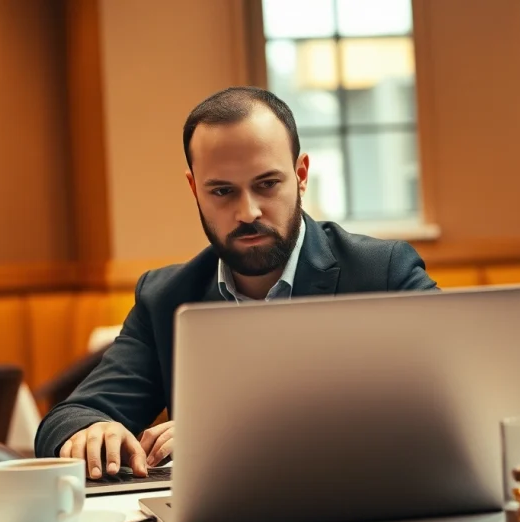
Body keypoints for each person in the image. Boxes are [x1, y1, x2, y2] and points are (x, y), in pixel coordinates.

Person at [34, 86, 438, 477]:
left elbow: (458, 398)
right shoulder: (165, 298)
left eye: (266, 184)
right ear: (195, 189)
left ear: (301, 175)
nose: (247, 212)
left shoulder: (381, 273)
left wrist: (230, 434)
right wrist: (88, 431)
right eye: (223, 191)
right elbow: (70, 417)